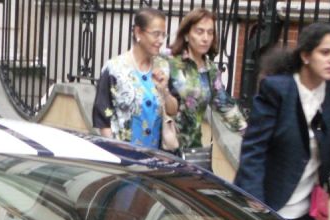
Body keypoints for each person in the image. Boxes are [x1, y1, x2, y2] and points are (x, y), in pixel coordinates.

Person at [233, 22, 330, 220]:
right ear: (305, 56)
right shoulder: (277, 90)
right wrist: (254, 199)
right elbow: (254, 149)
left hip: (305, 214)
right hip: (264, 206)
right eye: (325, 52)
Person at [165, 8, 244, 167]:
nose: (205, 38)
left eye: (210, 33)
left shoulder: (210, 70)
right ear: (187, 34)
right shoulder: (169, 62)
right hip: (163, 146)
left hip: (192, 151)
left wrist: (253, 135)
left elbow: (225, 107)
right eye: (200, 32)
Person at [92, 8, 177, 150]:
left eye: (164, 35)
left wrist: (164, 91)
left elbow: (173, 110)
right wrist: (116, 151)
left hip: (156, 160)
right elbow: (102, 118)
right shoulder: (115, 69)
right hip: (123, 157)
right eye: (156, 34)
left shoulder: (164, 67)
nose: (161, 40)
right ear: (138, 32)